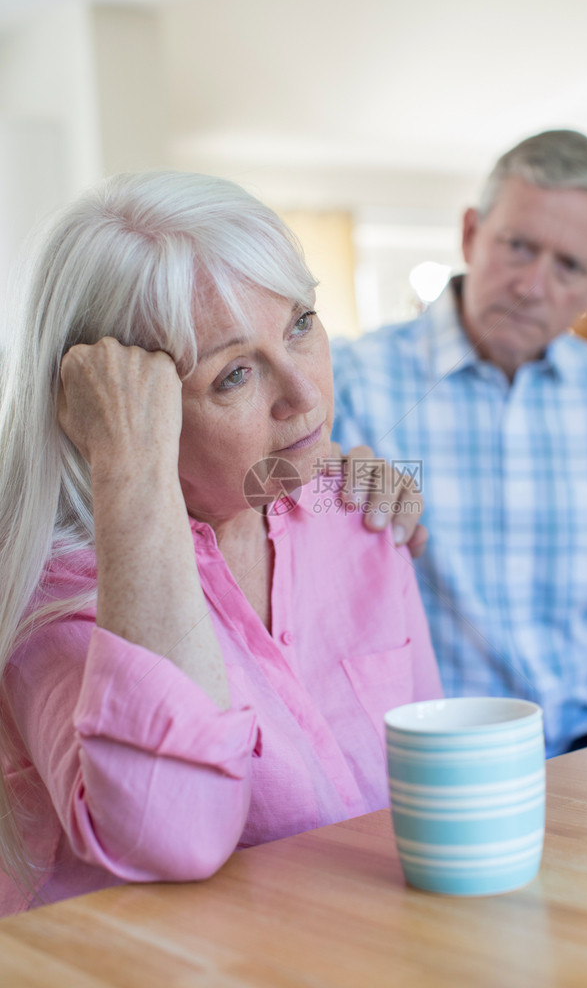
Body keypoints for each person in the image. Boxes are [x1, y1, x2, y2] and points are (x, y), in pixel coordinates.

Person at [0, 170, 442, 915]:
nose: (304, 395)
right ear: (119, 412)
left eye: (301, 323)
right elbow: (174, 833)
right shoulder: (57, 597)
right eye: (234, 374)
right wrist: (131, 473)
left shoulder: (354, 511)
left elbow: (429, 770)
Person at [332, 129, 587, 758]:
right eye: (518, 246)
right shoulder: (346, 383)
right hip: (416, 761)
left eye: (569, 266)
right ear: (470, 234)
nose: (532, 285)